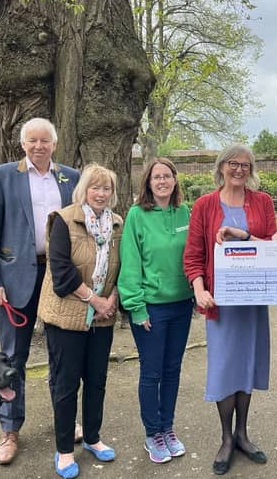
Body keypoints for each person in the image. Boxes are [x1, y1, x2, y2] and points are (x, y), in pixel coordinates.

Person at [0, 117, 79, 465]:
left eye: (45, 140)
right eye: (32, 141)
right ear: (23, 144)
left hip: (59, 277)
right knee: (12, 360)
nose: (39, 146)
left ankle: (65, 421)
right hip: (16, 278)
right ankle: (10, 429)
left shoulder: (71, 178)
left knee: (61, 356)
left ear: (54, 143)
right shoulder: (2, 176)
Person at [183, 143, 277, 475]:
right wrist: (200, 290)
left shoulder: (262, 202)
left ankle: (242, 434)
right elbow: (193, 256)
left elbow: (274, 246)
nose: (239, 170)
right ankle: (225, 437)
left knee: (246, 367)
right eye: (233, 164)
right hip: (221, 304)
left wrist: (244, 235)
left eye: (246, 165)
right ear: (221, 167)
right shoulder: (205, 205)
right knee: (225, 368)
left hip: (252, 301)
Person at [38, 164, 123, 478]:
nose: (101, 194)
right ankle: (63, 451)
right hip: (67, 317)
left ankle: (92, 438)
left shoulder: (116, 223)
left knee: (97, 381)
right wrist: (96, 300)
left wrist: (111, 299)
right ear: (83, 190)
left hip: (102, 318)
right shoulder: (63, 220)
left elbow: (120, 267)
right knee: (66, 384)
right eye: (95, 187)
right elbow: (61, 273)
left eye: (107, 189)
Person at [117, 158, 194, 464]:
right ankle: (152, 433)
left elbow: (195, 253)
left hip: (181, 305)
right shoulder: (137, 215)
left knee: (172, 370)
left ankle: (167, 428)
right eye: (156, 177)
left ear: (175, 180)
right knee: (152, 372)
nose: (162, 181)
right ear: (147, 183)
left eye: (167, 176)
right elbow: (130, 262)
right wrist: (136, 307)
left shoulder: (185, 212)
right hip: (150, 307)